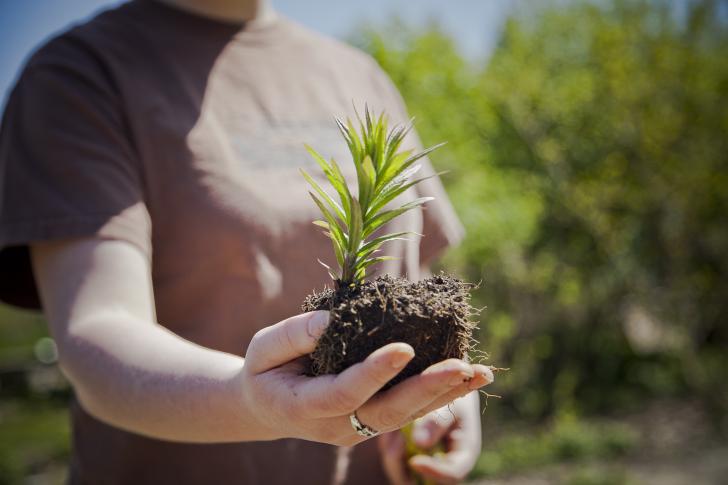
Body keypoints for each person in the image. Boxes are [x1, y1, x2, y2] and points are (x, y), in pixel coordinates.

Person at [0, 0, 495, 483]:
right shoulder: (80, 75)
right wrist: (253, 400)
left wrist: (446, 395)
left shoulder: (358, 74)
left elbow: (411, 276)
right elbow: (98, 328)